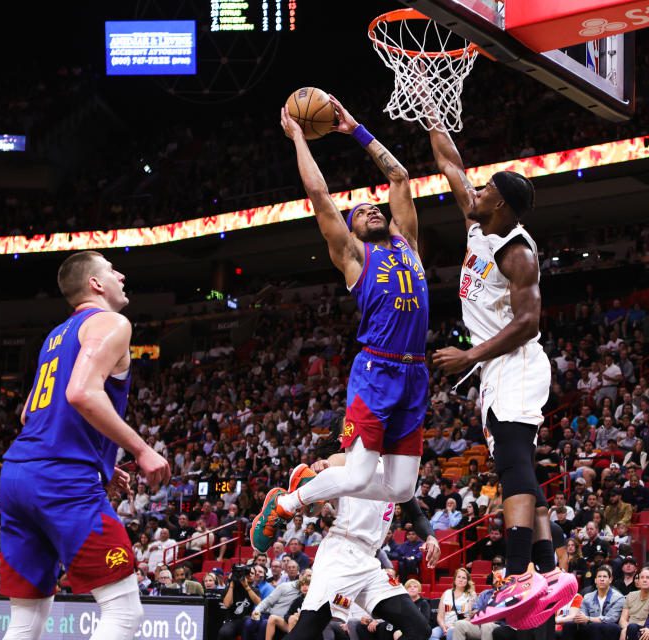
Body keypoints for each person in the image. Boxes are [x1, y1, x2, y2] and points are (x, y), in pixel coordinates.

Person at [255, 97, 429, 552]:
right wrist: (297, 135)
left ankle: (316, 479)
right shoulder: (354, 256)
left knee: (403, 490)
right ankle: (288, 504)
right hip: (376, 371)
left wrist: (356, 130)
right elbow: (319, 196)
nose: (372, 209)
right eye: (361, 212)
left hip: (415, 373)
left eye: (376, 208)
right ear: (349, 231)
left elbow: (399, 177)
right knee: (355, 474)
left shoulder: (408, 243)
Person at [428, 107, 576, 627]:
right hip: (497, 370)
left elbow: (530, 321)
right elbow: (451, 164)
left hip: (515, 361)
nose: (478, 190)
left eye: (488, 188)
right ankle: (545, 569)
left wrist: (469, 355)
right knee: (518, 469)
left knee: (513, 459)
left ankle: (517, 573)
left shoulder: (517, 252)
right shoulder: (477, 223)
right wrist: (430, 116)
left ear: (505, 205)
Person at [0, 251, 171, 640]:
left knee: (25, 621)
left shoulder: (55, 335)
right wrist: (142, 450)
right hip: (61, 479)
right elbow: (80, 393)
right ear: (96, 284)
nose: (121, 275)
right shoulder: (111, 322)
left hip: (17, 475)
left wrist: (100, 461)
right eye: (112, 270)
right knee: (124, 612)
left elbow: (29, 414)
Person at [283, 453, 438, 640]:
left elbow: (417, 516)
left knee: (419, 629)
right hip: (342, 554)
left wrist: (431, 537)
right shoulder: (350, 457)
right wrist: (323, 466)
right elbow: (331, 466)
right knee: (306, 631)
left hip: (369, 561)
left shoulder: (395, 473)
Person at [558, 564, 624, 640]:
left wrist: (589, 619)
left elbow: (611, 619)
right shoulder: (587, 597)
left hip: (610, 628)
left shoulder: (618, 597)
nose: (602, 579)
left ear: (610, 580)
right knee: (569, 625)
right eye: (599, 576)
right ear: (595, 580)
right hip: (590, 626)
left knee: (595, 626)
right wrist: (580, 618)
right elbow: (583, 615)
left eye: (605, 577)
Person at [433, 568, 476, 640]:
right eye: (458, 577)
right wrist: (443, 626)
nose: (461, 579)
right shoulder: (447, 593)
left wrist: (454, 625)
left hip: (461, 626)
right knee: (432, 634)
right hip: (445, 625)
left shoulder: (471, 595)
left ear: (467, 581)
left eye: (464, 578)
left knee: (451, 631)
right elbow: (440, 616)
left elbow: (470, 616)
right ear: (455, 579)